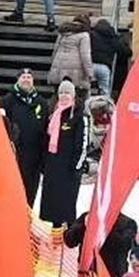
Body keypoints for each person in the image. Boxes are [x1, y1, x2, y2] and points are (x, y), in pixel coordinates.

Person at [40, 79, 86, 226]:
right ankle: (55, 230)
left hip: (69, 168)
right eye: (61, 92)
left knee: (67, 204)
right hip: (53, 165)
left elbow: (82, 143)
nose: (64, 95)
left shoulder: (79, 116)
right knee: (53, 203)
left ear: (73, 95)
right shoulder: (54, 114)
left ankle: (70, 231)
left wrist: (76, 166)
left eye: (67, 92)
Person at [0, 68, 48, 204]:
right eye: (23, 77)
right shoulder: (7, 101)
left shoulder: (41, 102)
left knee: (30, 190)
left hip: (34, 155)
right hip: (15, 154)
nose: (26, 79)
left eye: (29, 77)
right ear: (18, 80)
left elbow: (46, 128)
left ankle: (28, 213)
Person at [50, 15, 93, 91]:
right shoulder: (84, 35)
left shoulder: (62, 33)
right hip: (75, 74)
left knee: (59, 94)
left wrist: (54, 67)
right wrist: (90, 73)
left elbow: (55, 51)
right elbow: (85, 56)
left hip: (58, 70)